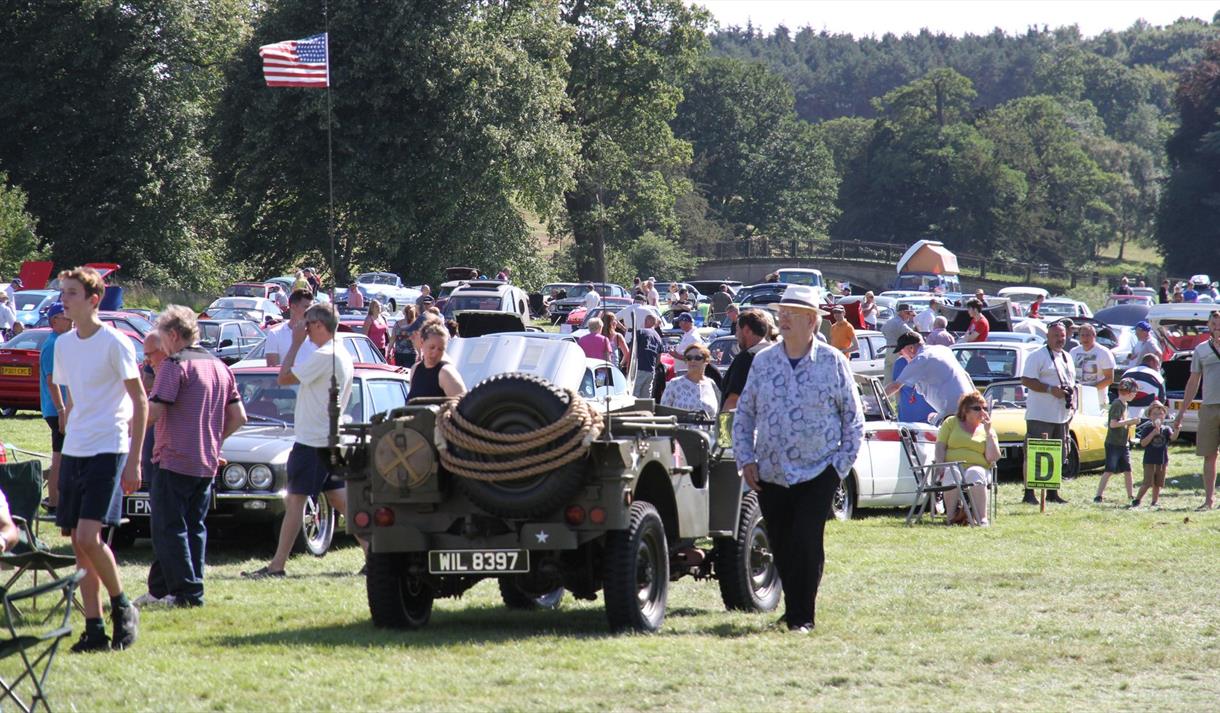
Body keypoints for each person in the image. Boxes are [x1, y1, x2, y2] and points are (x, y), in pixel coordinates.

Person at [732, 284, 864, 634]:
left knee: (806, 541)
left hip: (818, 470)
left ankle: (802, 617)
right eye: (781, 312)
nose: (783, 318)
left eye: (792, 313)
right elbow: (744, 414)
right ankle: (794, 608)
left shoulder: (833, 362)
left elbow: (853, 418)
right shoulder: (763, 362)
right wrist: (745, 458)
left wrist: (838, 468)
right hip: (770, 472)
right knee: (782, 544)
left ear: (812, 321)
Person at [50, 266, 143, 652]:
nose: (64, 300)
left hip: (109, 445)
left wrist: (135, 460)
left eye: (71, 293)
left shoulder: (115, 343)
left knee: (90, 535)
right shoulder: (64, 344)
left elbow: (140, 399)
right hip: (77, 448)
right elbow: (70, 397)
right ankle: (94, 627)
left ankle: (122, 606)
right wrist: (68, 434)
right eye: (63, 293)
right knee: (77, 542)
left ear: (93, 300)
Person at [137, 307, 245, 608]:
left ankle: (188, 594)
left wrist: (124, 416)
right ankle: (160, 590)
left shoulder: (174, 365)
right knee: (192, 527)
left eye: (162, 340)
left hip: (173, 458)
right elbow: (238, 416)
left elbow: (154, 412)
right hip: (205, 461)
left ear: (173, 335)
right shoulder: (220, 366)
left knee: (168, 529)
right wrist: (213, 439)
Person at [244, 303, 359, 578]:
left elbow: (283, 378)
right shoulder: (341, 352)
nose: (304, 330)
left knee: (295, 501)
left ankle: (277, 565)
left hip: (312, 441)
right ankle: (375, 553)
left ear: (320, 326)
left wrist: (294, 344)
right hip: (329, 436)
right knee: (340, 499)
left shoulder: (324, 355)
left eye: (308, 325)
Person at [1019, 321, 1075, 505]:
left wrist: (1072, 403)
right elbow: (1026, 380)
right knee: (1035, 453)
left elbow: (1071, 384)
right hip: (1040, 415)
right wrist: (1051, 390)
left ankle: (1052, 492)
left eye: (1062, 336)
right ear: (1047, 337)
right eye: (1056, 336)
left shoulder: (1067, 356)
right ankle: (1029, 494)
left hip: (1061, 415)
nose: (1060, 339)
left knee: (1059, 453)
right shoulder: (1037, 356)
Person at [1172, 310, 1220, 510]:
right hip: (1209, 406)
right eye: (1214, 324)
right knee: (1209, 454)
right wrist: (1181, 413)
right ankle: (1209, 500)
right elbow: (1193, 381)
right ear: (1208, 326)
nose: (1217, 327)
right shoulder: (1201, 349)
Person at [935, 391, 999, 525]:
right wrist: (940, 464)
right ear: (965, 410)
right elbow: (940, 446)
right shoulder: (951, 422)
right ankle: (951, 517)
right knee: (952, 472)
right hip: (953, 465)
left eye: (985, 408)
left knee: (974, 472)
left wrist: (989, 434)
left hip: (979, 468)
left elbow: (992, 458)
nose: (982, 411)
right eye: (977, 408)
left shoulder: (988, 430)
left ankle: (982, 519)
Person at [884, 333, 974, 424]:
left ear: (911, 348)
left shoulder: (921, 359)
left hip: (954, 413)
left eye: (902, 352)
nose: (901, 355)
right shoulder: (942, 349)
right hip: (972, 404)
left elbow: (895, 386)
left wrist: (878, 398)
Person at [39, 302, 71, 511]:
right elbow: (52, 381)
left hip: (63, 409)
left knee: (64, 454)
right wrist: (61, 410)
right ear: (54, 321)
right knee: (60, 454)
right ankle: (54, 501)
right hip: (57, 410)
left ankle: (55, 497)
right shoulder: (53, 345)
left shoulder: (62, 342)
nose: (70, 319)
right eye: (65, 316)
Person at [720, 308, 773, 411]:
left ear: (747, 330)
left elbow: (733, 401)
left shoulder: (747, 357)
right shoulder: (776, 354)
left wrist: (722, 426)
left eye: (737, 330)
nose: (736, 335)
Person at [1096, 379, 1139, 503]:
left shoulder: (1124, 404)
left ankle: (1131, 495)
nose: (1135, 395)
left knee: (1128, 470)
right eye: (1134, 392)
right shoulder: (1117, 404)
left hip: (1122, 443)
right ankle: (1098, 495)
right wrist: (1130, 421)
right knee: (1109, 470)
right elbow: (1113, 424)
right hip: (1113, 443)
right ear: (1129, 392)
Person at [407, 321, 467, 400]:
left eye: (440, 349)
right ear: (422, 342)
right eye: (432, 347)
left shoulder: (446, 372)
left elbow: (465, 406)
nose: (435, 352)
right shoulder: (415, 369)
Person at [660, 342, 719, 418]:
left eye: (697, 358)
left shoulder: (711, 384)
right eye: (689, 358)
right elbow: (663, 414)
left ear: (706, 361)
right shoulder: (674, 384)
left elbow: (719, 414)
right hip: (681, 429)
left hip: (708, 429)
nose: (692, 361)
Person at [1133, 401, 1173, 508]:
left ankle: (1154, 501)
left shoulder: (1166, 429)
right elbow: (1143, 443)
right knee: (1147, 482)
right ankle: (1137, 500)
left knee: (1158, 483)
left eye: (1160, 414)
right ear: (1150, 416)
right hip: (1150, 460)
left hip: (1162, 460)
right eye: (1154, 414)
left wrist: (1177, 429)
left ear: (1164, 416)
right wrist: (1153, 433)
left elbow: (1173, 438)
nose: (1158, 416)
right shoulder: (1147, 429)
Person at [265, 289, 316, 368]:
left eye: (312, 307)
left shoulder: (318, 333)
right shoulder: (275, 334)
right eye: (306, 307)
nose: (310, 311)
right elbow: (272, 369)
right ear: (293, 307)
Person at [1071, 323, 1115, 403]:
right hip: (1076, 398)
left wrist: (1090, 390)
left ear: (1094, 336)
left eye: (1088, 335)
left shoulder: (1104, 352)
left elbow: (1109, 378)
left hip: (1097, 399)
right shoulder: (1073, 352)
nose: (1085, 338)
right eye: (1082, 335)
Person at [629, 314, 664, 399]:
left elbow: (631, 350)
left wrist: (626, 364)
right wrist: (653, 368)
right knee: (646, 398)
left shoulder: (640, 332)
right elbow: (659, 359)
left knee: (634, 395)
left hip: (639, 368)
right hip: (650, 371)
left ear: (646, 321)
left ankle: (634, 412)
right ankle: (646, 411)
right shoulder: (658, 338)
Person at [1125, 353, 1166, 420]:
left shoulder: (1127, 373)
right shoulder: (1157, 376)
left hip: (1127, 414)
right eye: (1158, 364)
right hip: (1148, 416)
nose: (1158, 368)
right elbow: (1162, 398)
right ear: (1152, 362)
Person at [881, 302, 916, 381]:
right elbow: (913, 335)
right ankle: (896, 393)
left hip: (888, 349)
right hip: (897, 351)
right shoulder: (900, 323)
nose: (908, 315)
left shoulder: (889, 322)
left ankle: (886, 393)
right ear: (902, 312)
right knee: (897, 376)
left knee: (888, 376)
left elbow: (882, 330)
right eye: (907, 313)